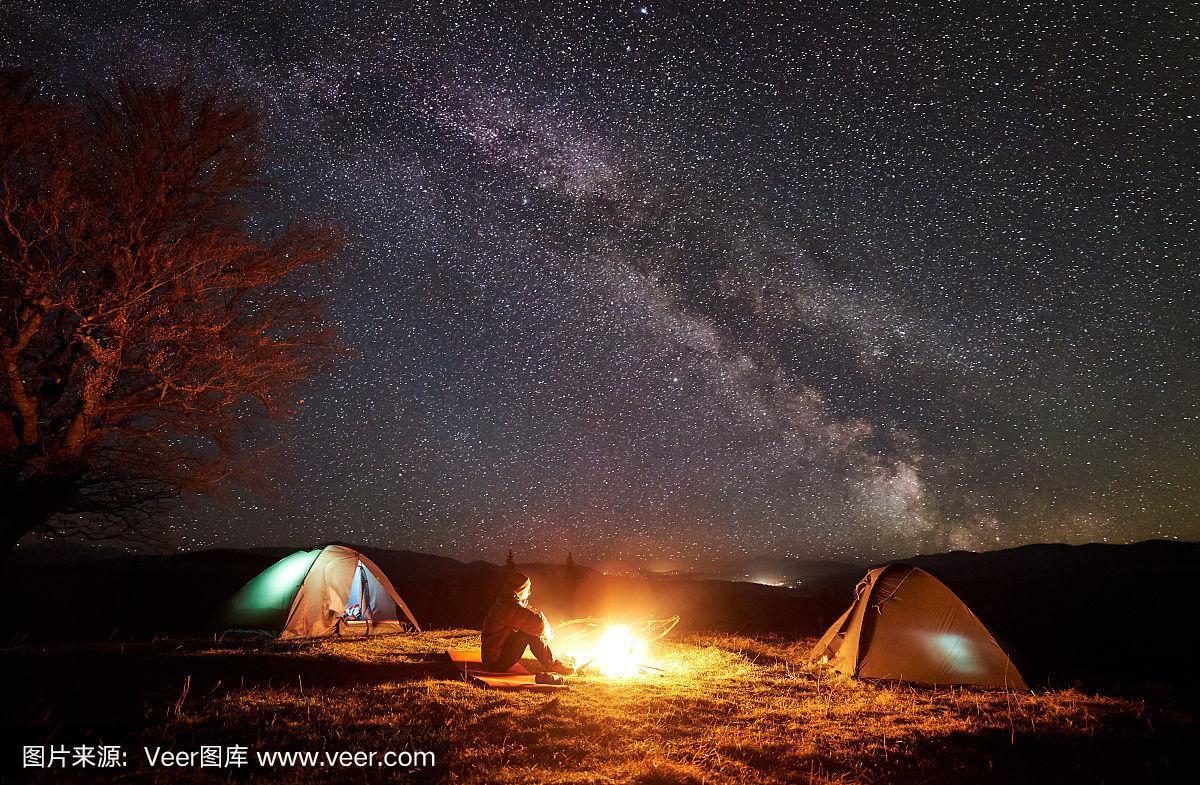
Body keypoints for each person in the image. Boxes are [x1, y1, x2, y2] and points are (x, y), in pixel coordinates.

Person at [481, 572, 573, 678]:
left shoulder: (507, 602)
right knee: (529, 631)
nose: (529, 593)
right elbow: (538, 624)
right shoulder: (510, 608)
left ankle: (551, 662)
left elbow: (531, 612)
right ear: (520, 590)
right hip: (495, 663)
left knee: (529, 628)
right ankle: (551, 664)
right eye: (528, 589)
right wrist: (548, 632)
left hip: (492, 658)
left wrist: (542, 623)